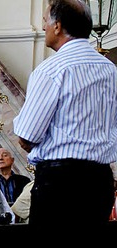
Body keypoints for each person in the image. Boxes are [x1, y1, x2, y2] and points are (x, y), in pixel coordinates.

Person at [14, 0, 117, 226]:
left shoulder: (51, 69)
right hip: (100, 181)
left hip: (60, 183)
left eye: (44, 21)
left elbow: (26, 135)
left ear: (58, 26)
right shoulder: (110, 70)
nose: (43, 28)